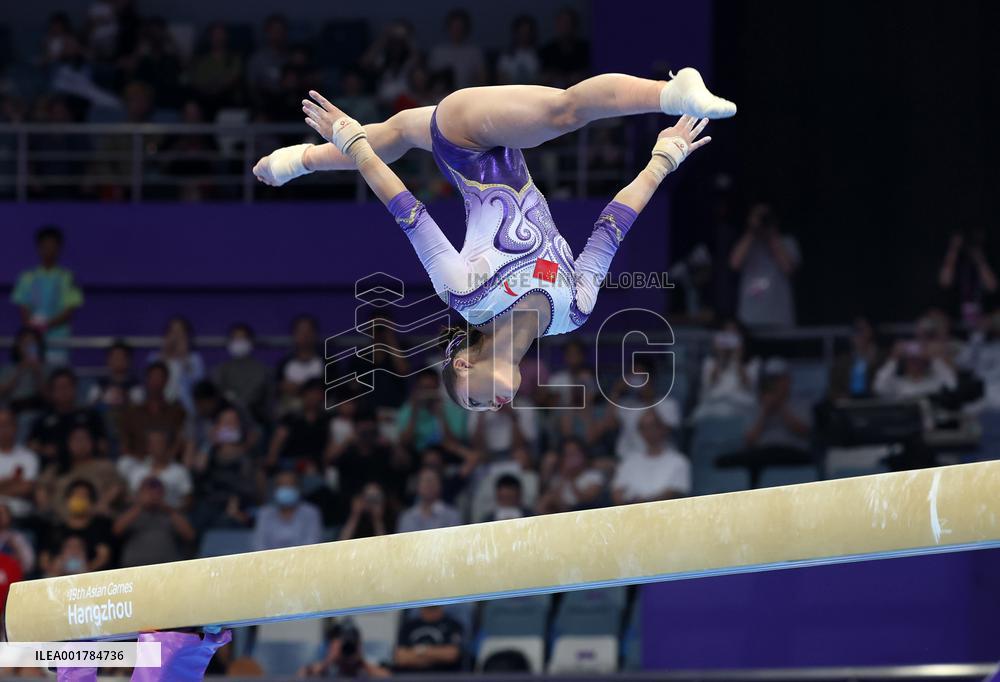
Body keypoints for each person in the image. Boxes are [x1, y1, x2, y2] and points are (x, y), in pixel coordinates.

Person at [255, 69, 733, 412]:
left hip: (466, 142)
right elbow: (611, 228)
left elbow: (407, 210)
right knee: (398, 133)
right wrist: (663, 158)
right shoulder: (574, 311)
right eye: (489, 408)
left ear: (462, 363)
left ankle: (671, 91)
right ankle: (297, 160)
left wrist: (352, 142)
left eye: (477, 399)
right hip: (487, 141)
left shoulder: (466, 294)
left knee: (562, 112)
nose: (496, 404)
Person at [717, 358, 813, 487]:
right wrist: (764, 412)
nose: (775, 384)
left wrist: (781, 406)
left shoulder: (801, 403)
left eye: (779, 379)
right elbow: (750, 440)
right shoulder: (756, 406)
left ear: (788, 380)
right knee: (733, 460)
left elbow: (803, 431)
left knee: (761, 458)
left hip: (792, 452)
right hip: (763, 452)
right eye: (772, 380)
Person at [10, 225, 84, 364]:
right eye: (45, 245)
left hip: (58, 339)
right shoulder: (27, 277)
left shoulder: (67, 277)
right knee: (33, 374)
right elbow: (23, 308)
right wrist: (33, 329)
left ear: (59, 248)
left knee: (56, 376)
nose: (49, 250)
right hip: (32, 339)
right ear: (39, 247)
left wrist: (46, 325)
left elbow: (69, 311)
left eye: (53, 245)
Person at [729, 203, 801, 328]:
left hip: (779, 318)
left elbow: (788, 268)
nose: (762, 221)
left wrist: (771, 234)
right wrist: (752, 230)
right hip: (749, 319)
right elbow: (734, 264)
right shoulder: (747, 243)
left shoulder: (787, 242)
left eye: (765, 217)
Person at [28, 368, 107, 471]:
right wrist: (44, 450)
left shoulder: (90, 415)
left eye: (67, 386)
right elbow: (31, 445)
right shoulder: (42, 420)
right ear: (52, 392)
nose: (63, 391)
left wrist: (87, 449)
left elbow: (103, 445)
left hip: (89, 466)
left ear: (75, 388)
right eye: (59, 388)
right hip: (55, 469)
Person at [114, 476, 196, 567]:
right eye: (148, 492)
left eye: (157, 492)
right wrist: (140, 506)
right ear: (139, 494)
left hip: (167, 567)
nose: (152, 496)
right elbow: (116, 531)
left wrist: (168, 510)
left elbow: (190, 536)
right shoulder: (130, 512)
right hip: (134, 568)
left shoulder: (170, 513)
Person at [611, 412, 691, 504]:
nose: (649, 431)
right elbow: (617, 492)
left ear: (662, 429)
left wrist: (646, 503)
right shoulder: (629, 461)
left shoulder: (679, 461)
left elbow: (675, 493)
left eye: (652, 426)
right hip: (631, 513)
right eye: (643, 428)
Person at [40, 480, 114, 574]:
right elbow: (44, 560)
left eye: (84, 496)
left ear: (91, 503)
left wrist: (84, 573)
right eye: (75, 495)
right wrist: (56, 572)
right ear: (67, 500)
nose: (79, 499)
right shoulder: (55, 529)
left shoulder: (99, 528)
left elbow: (103, 556)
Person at [211, 323, 273, 426]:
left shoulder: (263, 371)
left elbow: (269, 404)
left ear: (250, 341)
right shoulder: (220, 370)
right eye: (235, 338)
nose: (239, 342)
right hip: (227, 423)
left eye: (242, 338)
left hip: (256, 423)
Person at [938, 228, 998, 326]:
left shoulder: (988, 261)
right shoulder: (956, 262)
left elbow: (992, 286)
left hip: (983, 314)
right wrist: (954, 249)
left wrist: (980, 259)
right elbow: (945, 282)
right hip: (956, 313)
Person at [252, 470, 321, 551]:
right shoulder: (265, 513)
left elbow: (312, 544)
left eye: (290, 486)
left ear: (298, 488)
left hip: (302, 561)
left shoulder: (310, 512)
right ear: (275, 490)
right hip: (270, 561)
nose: (286, 489)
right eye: (282, 486)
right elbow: (259, 545)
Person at [148, 316, 205, 414]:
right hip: (160, 409)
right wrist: (165, 353)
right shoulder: (154, 357)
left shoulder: (195, 359)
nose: (176, 336)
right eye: (173, 332)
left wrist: (184, 358)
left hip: (186, 409)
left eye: (180, 332)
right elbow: (150, 382)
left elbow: (199, 385)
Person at [394, 606, 465, 673]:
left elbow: (451, 655)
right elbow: (401, 658)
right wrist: (435, 656)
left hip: (443, 675)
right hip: (410, 675)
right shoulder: (409, 626)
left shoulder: (452, 625)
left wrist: (420, 650)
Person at [428, 9, 486, 90]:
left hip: (467, 95)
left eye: (460, 28)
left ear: (466, 29)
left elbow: (482, 80)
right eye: (454, 27)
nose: (457, 31)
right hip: (442, 96)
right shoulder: (438, 52)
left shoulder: (474, 52)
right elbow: (431, 81)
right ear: (448, 28)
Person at [0, 407, 40, 519]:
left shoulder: (28, 456)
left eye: (6, 424)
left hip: (20, 516)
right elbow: (20, 486)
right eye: (0, 425)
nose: (3, 429)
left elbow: (26, 488)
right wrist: (12, 481)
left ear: (15, 427)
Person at [0, 327, 49, 413]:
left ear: (38, 346)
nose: (27, 347)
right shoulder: (7, 369)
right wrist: (19, 371)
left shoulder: (46, 368)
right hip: (12, 410)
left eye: (32, 343)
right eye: (25, 343)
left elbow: (49, 397)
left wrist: (37, 373)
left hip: (37, 409)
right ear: (18, 346)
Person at [397, 468, 461, 533]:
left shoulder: (451, 516)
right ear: (418, 486)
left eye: (432, 481)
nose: (429, 485)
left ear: (440, 486)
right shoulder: (407, 517)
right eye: (425, 481)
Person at [539, 7, 590, 88]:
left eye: (568, 23)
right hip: (552, 93)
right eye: (561, 23)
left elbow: (587, 75)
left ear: (575, 25)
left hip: (581, 93)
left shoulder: (585, 49)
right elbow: (543, 77)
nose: (565, 27)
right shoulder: (547, 50)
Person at [497, 15, 540, 85]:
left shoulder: (538, 55)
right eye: (521, 31)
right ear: (515, 33)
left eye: (527, 32)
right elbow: (501, 79)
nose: (524, 35)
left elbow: (541, 80)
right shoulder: (506, 55)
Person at [0, 503, 35, 574]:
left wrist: (17, 552)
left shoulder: (17, 538)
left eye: (2, 513)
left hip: (12, 576)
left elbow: (29, 563)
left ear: (9, 516)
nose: (0, 516)